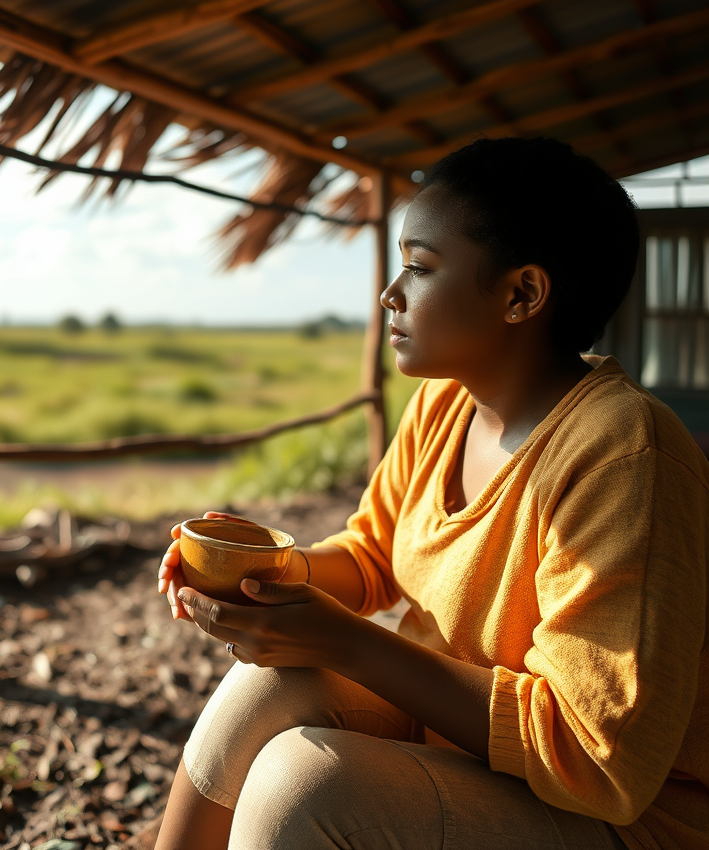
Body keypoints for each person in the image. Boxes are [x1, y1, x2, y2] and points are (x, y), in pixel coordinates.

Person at [155, 137, 709, 850]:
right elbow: (371, 556)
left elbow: (595, 756)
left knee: (307, 786)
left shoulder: (624, 453)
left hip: (623, 819)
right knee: (268, 688)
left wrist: (346, 641)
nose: (391, 292)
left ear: (522, 295)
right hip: (480, 749)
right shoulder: (446, 406)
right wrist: (274, 576)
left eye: (419, 266)